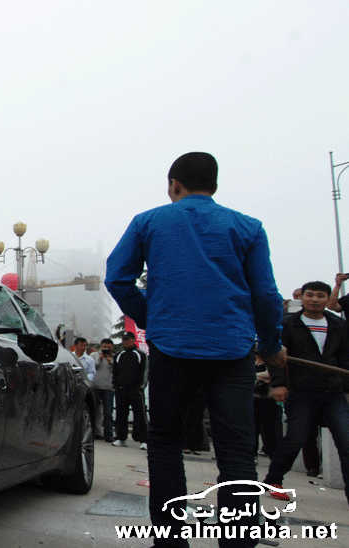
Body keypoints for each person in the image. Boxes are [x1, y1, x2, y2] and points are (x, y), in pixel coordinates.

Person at [105, 151, 285, 547]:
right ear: (214, 185)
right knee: (237, 452)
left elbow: (117, 278)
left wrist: (153, 318)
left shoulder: (148, 222)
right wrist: (271, 344)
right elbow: (267, 294)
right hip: (233, 351)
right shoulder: (248, 227)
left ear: (174, 184)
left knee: (166, 443)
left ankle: (171, 541)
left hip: (172, 350)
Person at [263, 281, 349, 506]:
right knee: (295, 438)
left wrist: (346, 388)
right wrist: (280, 384)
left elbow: (344, 359)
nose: (314, 299)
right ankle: (274, 480)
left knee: (346, 442)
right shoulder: (288, 324)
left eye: (320, 296)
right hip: (301, 391)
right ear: (302, 298)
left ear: (327, 299)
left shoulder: (339, 325)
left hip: (333, 392)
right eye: (310, 295)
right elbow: (276, 358)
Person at [111, 332, 149, 450]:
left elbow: (145, 372)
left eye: (128, 340)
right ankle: (121, 438)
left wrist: (140, 388)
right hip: (121, 389)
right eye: (124, 340)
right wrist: (115, 385)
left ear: (134, 340)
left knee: (140, 415)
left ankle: (144, 440)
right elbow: (115, 372)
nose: (125, 342)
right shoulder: (118, 354)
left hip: (135, 390)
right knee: (121, 414)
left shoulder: (140, 355)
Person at [91, 338, 116, 442]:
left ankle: (108, 434)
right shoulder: (94, 355)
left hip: (109, 388)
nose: (107, 349)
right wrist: (100, 359)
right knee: (93, 411)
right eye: (105, 347)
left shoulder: (115, 357)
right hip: (95, 386)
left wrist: (111, 362)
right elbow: (91, 368)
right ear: (100, 346)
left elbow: (118, 370)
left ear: (112, 348)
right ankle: (92, 433)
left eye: (109, 347)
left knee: (108, 412)